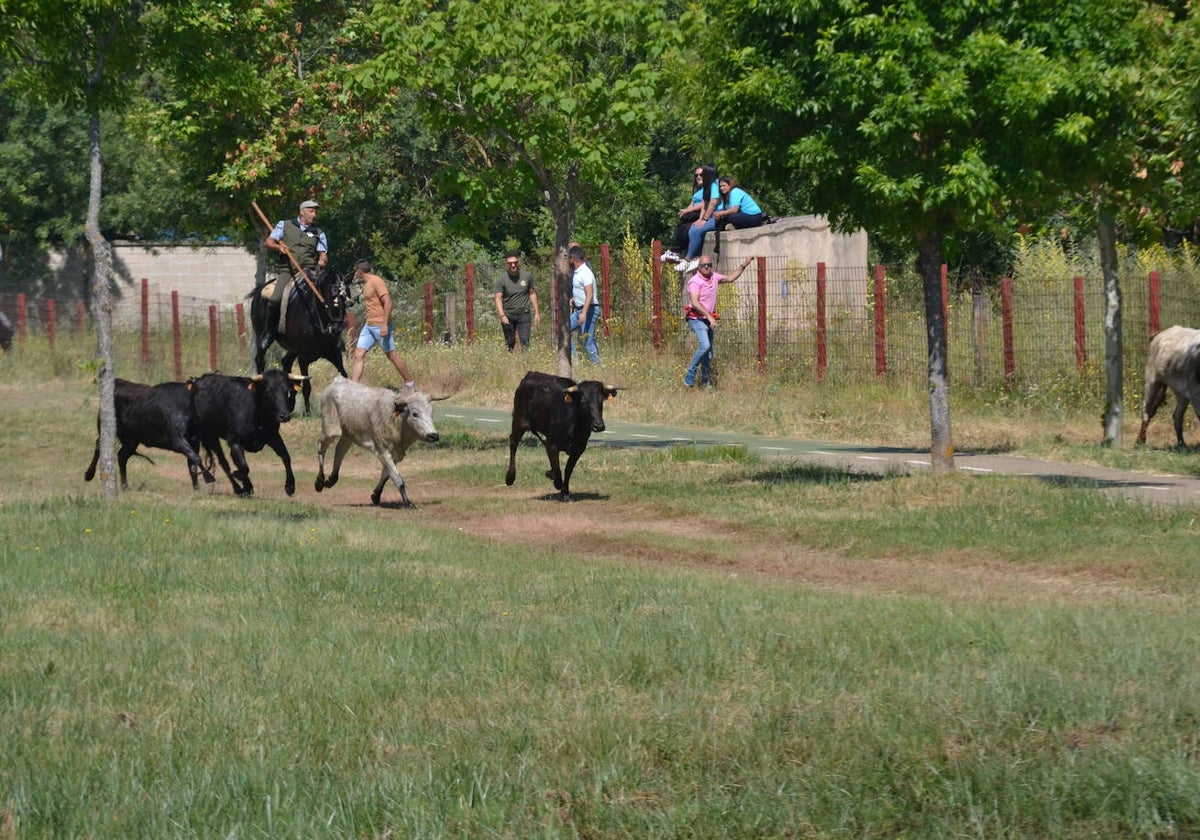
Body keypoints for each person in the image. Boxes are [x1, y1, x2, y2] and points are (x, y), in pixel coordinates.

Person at [263, 199, 328, 343]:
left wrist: (322, 259)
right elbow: (268, 242)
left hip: (309, 271)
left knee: (327, 297)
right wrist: (279, 247)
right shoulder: (284, 225)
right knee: (275, 299)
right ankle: (269, 332)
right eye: (311, 211)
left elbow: (323, 253)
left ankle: (329, 332)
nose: (314, 214)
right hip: (289, 271)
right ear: (302, 212)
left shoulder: (319, 233)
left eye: (315, 212)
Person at [683, 256, 752, 388]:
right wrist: (709, 317)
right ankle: (689, 376)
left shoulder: (714, 277)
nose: (707, 267)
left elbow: (730, 278)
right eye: (704, 265)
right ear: (699, 267)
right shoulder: (695, 282)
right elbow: (695, 302)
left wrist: (744, 265)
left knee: (708, 354)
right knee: (705, 345)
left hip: (708, 319)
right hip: (696, 318)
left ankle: (706, 382)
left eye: (709, 265)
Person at [350, 259, 416, 387]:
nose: (355, 273)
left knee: (392, 355)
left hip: (380, 325)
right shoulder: (367, 283)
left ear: (360, 270)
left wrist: (385, 324)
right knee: (358, 353)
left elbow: (388, 302)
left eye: (355, 270)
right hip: (369, 326)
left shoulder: (376, 281)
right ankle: (354, 388)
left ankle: (410, 383)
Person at [660, 164, 719, 274]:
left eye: (702, 174)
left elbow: (710, 204)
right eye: (696, 175)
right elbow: (705, 204)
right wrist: (696, 216)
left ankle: (690, 257)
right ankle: (675, 251)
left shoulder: (714, 185)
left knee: (693, 229)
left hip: (714, 215)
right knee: (681, 226)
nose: (698, 177)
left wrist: (703, 219)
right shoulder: (702, 190)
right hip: (704, 215)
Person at [493, 250, 541, 351]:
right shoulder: (502, 279)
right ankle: (510, 363)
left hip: (524, 313)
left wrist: (537, 312)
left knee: (524, 340)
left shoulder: (527, 276)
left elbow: (532, 293)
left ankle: (525, 363)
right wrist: (502, 315)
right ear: (507, 264)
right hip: (508, 314)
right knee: (510, 342)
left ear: (518, 262)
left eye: (515, 262)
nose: (513, 265)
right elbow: (498, 298)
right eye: (510, 263)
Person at [567, 244, 601, 365]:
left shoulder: (585, 273)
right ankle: (573, 360)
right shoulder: (577, 272)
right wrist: (573, 299)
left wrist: (584, 313)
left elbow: (590, 294)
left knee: (587, 340)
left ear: (573, 259)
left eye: (568, 258)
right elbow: (580, 290)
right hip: (578, 310)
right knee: (564, 330)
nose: (567, 261)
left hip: (589, 310)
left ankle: (597, 366)